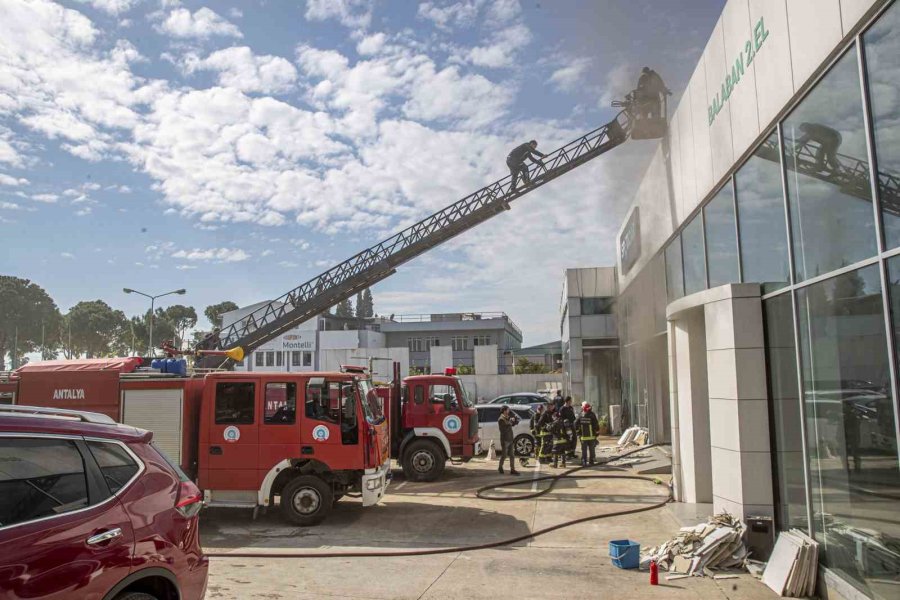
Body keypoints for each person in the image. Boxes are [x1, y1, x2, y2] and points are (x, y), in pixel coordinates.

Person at [497, 406, 520, 475]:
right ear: (504, 411)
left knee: (512, 455)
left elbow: (513, 424)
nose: (509, 411)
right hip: (505, 440)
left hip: (510, 439)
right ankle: (500, 467)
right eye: (507, 410)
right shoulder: (501, 419)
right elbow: (505, 428)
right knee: (504, 455)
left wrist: (515, 420)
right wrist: (511, 421)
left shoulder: (507, 418)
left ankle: (512, 470)